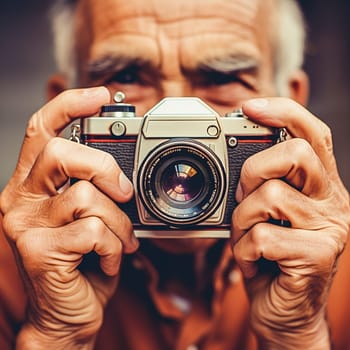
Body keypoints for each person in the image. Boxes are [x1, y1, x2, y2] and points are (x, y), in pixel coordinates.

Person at [0, 0, 349, 349]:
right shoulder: (16, 267)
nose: (178, 120)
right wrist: (56, 333)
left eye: (222, 77)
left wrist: (298, 335)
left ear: (292, 103)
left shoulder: (334, 263)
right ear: (69, 112)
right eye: (127, 78)